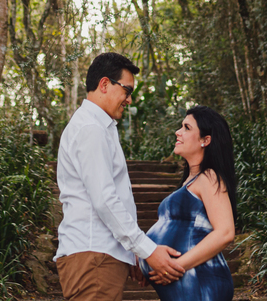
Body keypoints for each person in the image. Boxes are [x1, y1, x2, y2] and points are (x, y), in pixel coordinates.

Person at [55, 52, 187, 301]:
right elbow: (105, 200)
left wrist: (132, 253)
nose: (129, 99)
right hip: (93, 257)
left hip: (99, 256)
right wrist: (147, 250)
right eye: (127, 90)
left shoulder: (99, 127)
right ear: (104, 84)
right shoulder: (91, 129)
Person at [141, 106, 237, 301]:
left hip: (201, 283)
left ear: (205, 140)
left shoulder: (209, 177)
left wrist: (173, 267)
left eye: (187, 127)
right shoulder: (190, 182)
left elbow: (225, 232)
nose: (178, 132)